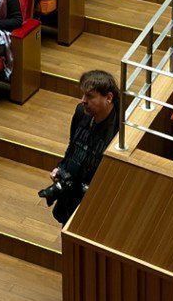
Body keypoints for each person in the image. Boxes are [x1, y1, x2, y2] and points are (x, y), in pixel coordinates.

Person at [41, 70, 119, 226]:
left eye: (89, 96)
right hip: (72, 190)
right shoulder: (80, 112)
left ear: (108, 98)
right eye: (83, 95)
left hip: (97, 200)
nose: (83, 100)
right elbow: (73, 144)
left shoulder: (119, 130)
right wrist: (61, 168)